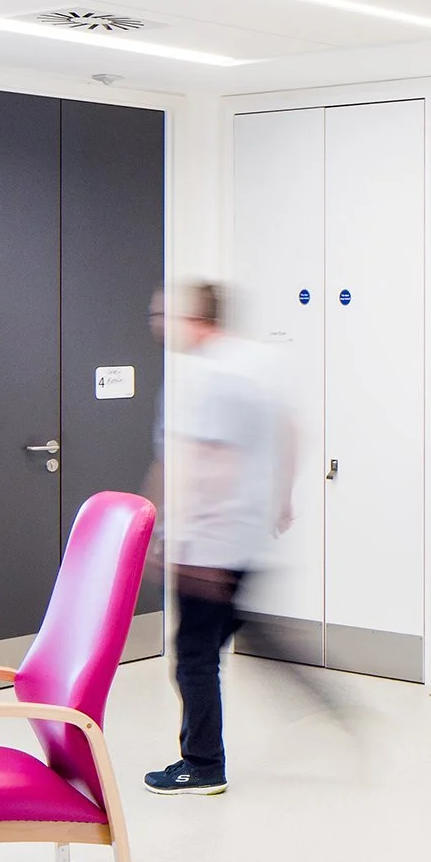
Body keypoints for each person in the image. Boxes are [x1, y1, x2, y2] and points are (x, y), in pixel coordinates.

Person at [145, 281, 297, 795]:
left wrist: (170, 531)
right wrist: (280, 497)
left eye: (164, 315)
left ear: (193, 319)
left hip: (210, 544)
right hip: (244, 537)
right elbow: (289, 430)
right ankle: (325, 706)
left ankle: (203, 764)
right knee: (222, 640)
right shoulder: (257, 363)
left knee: (194, 657)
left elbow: (204, 463)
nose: (157, 325)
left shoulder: (205, 376)